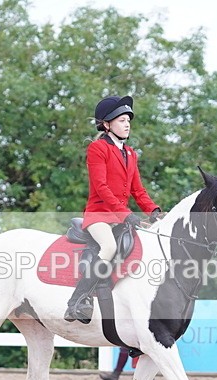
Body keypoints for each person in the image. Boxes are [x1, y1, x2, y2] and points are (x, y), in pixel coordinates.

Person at [64, 95, 162, 323]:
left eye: (129, 120)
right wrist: (126, 215)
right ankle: (77, 301)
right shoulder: (97, 148)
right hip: (99, 214)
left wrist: (153, 211)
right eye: (121, 120)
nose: (127, 124)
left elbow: (138, 190)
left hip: (119, 216)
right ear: (107, 124)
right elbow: (101, 187)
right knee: (108, 247)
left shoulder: (130, 153)